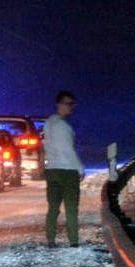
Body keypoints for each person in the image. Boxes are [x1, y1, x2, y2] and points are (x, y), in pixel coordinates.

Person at [42, 90, 84, 246]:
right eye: (68, 103)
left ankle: (51, 239)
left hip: (52, 170)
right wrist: (80, 168)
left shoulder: (49, 123)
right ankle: (73, 240)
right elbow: (68, 150)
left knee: (53, 207)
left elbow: (46, 146)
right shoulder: (63, 126)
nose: (71, 107)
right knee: (71, 208)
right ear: (59, 104)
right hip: (67, 171)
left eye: (72, 104)